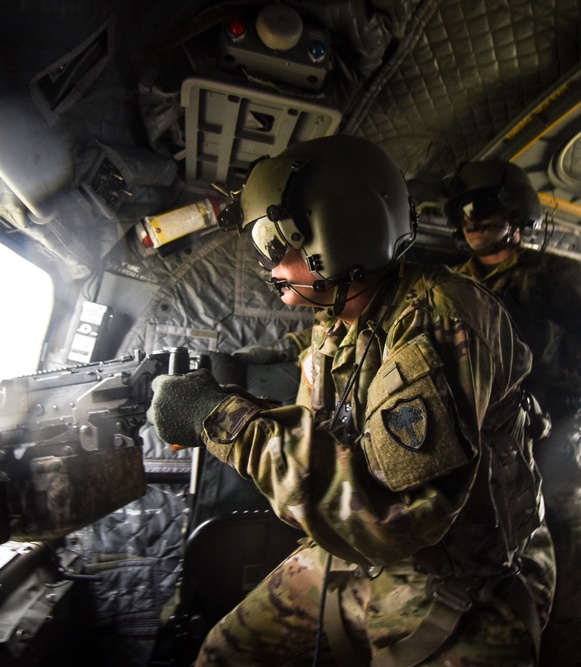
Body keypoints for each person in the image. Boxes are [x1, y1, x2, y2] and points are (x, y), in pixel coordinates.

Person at [147, 135, 555, 666]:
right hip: (365, 556)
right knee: (224, 655)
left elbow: (388, 518)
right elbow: (326, 449)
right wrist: (220, 399)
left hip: (465, 583)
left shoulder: (438, 319)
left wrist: (221, 419)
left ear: (340, 232)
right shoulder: (335, 325)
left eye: (275, 242)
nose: (266, 262)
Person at [445, 160, 581, 667]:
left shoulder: (560, 277)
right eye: (462, 210)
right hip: (474, 460)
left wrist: (538, 340)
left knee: (566, 584)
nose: (471, 220)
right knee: (474, 589)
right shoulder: (451, 290)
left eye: (484, 208)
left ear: (515, 211)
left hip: (548, 453)